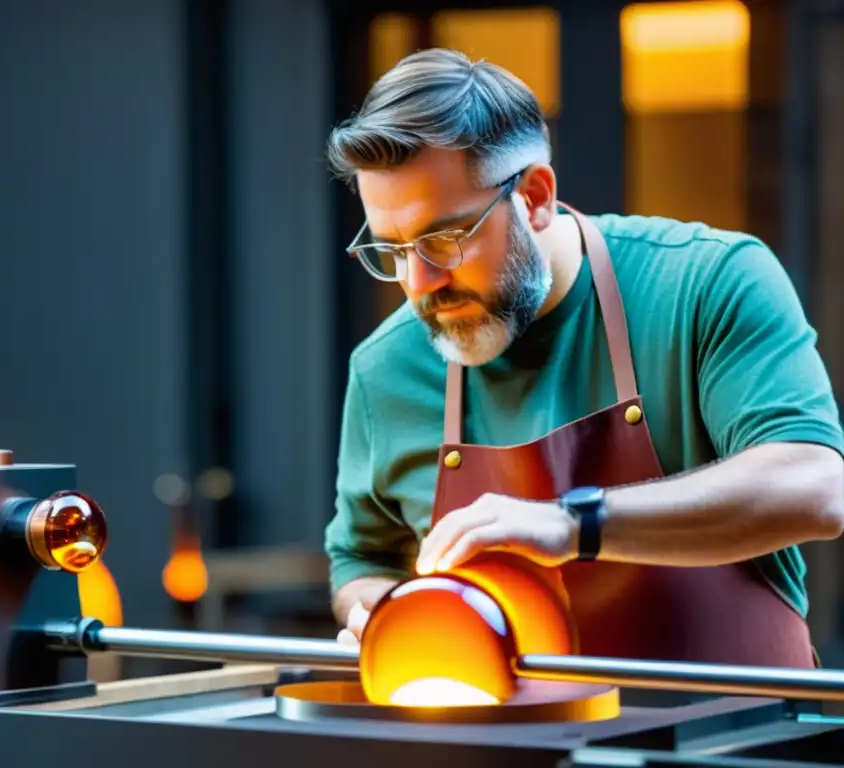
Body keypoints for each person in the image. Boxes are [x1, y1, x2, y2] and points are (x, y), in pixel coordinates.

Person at [323, 48, 844, 667]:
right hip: (515, 749)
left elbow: (814, 486)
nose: (419, 282)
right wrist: (396, 616)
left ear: (536, 196)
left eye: (444, 239)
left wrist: (573, 524)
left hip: (738, 737)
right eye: (393, 248)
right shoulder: (385, 369)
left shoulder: (707, 281)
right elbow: (361, 561)